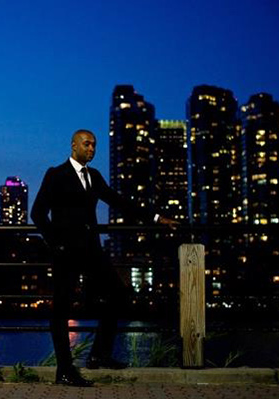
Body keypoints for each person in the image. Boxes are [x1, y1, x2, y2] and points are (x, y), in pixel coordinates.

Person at [31, 129, 177, 387]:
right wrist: (56, 245)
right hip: (65, 253)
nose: (92, 149)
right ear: (73, 144)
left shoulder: (94, 176)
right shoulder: (56, 174)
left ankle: (99, 354)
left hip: (91, 250)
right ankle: (64, 370)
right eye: (87, 144)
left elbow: (119, 202)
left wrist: (156, 218)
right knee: (61, 309)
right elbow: (38, 213)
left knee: (118, 294)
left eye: (95, 145)